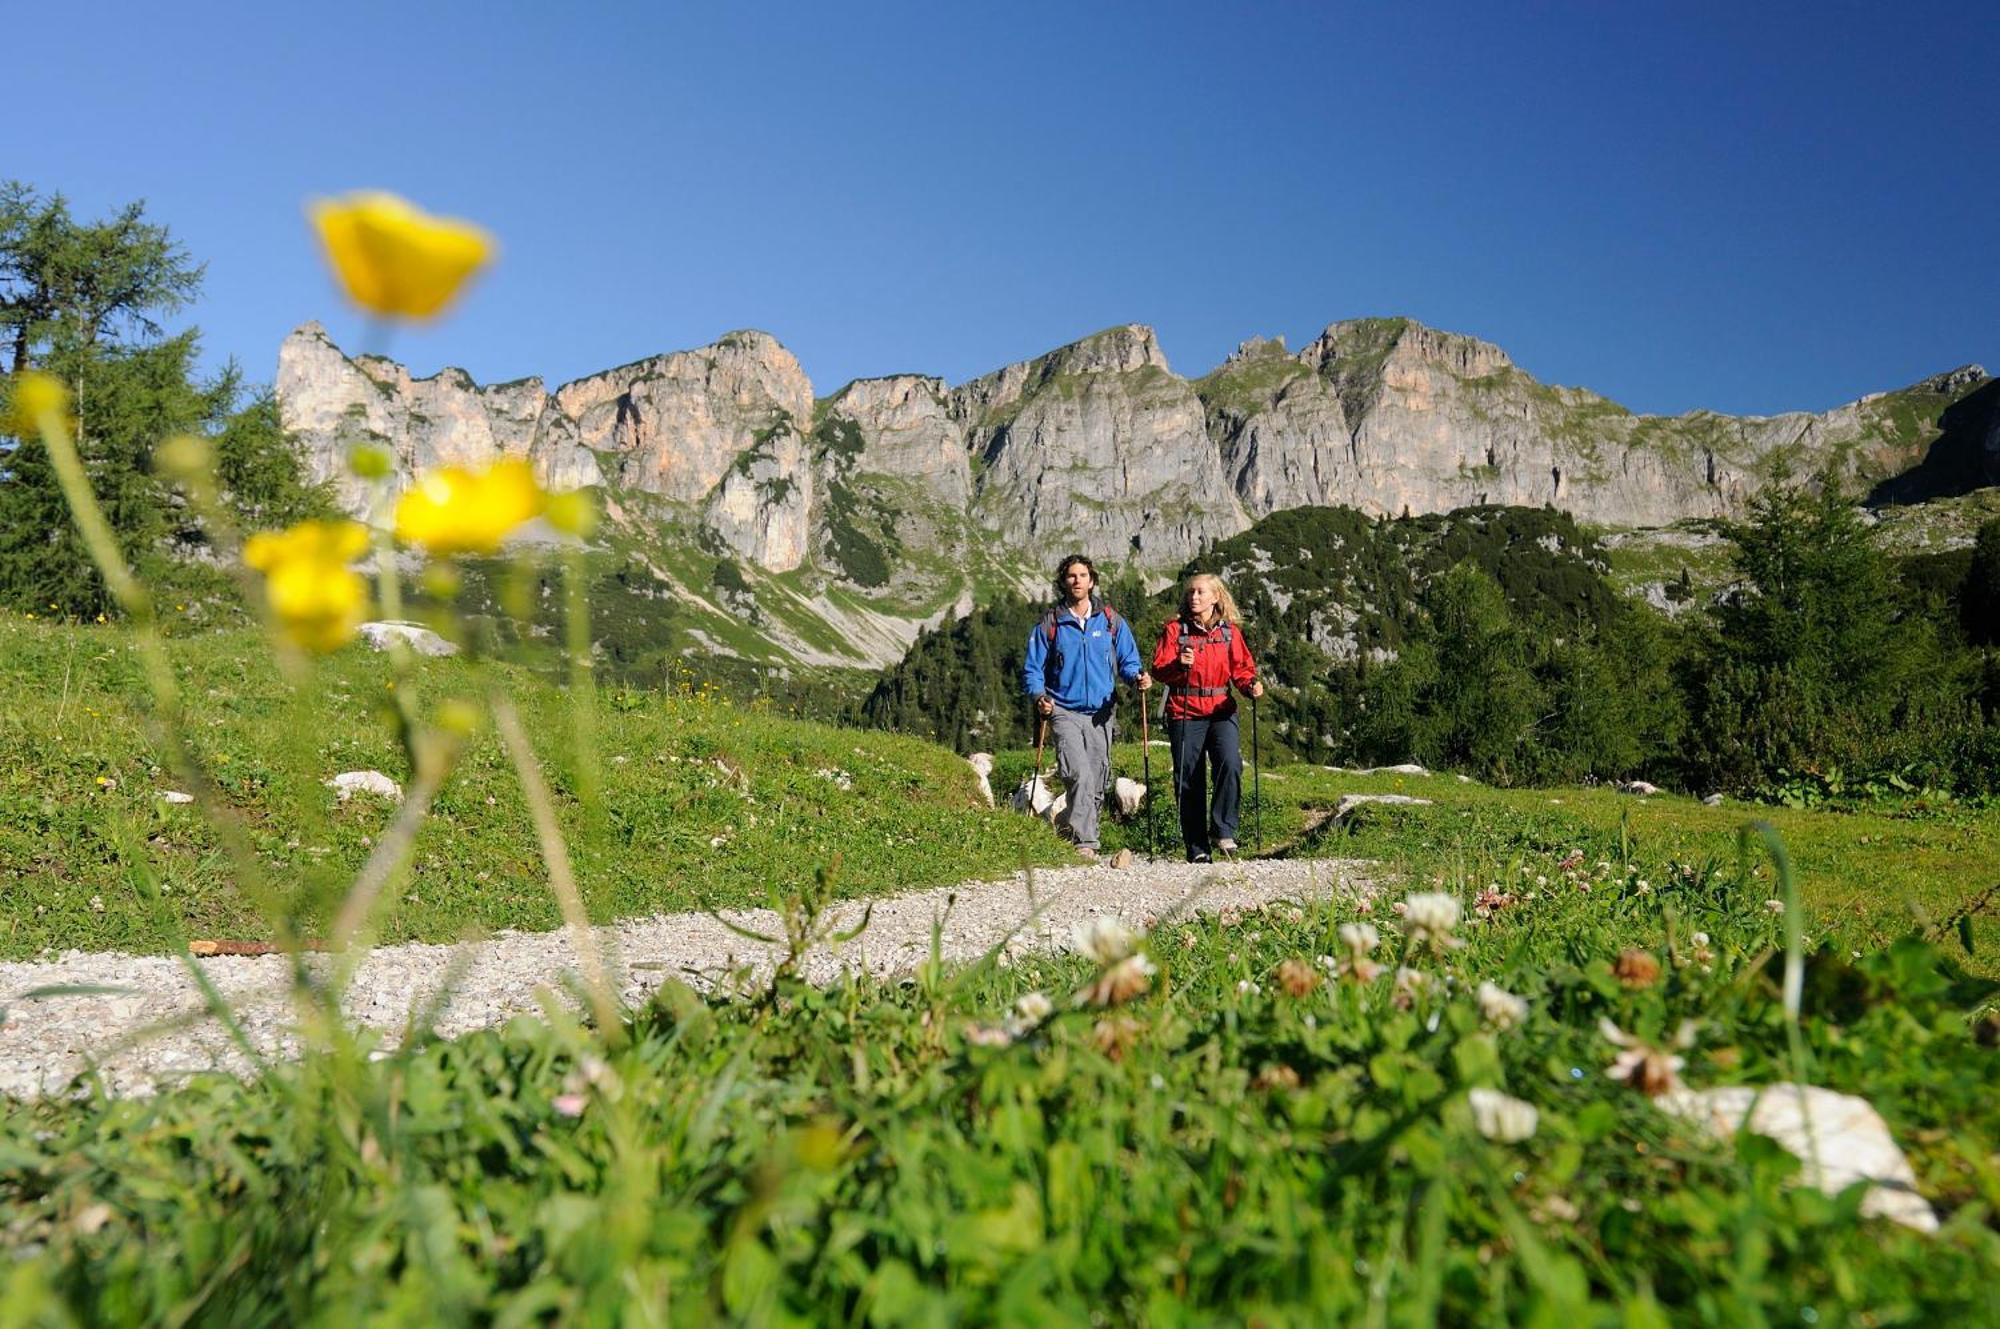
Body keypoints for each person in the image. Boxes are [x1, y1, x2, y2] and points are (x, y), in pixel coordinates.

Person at [1021, 554, 1151, 860]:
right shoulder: (1051, 623)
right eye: (1071, 576)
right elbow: (1032, 668)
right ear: (1063, 582)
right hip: (1063, 709)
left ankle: (1074, 828)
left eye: (1082, 575)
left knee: (1097, 777)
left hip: (1101, 712)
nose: (1077, 580)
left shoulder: (1109, 620)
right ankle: (1086, 842)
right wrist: (1039, 695)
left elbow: (1129, 660)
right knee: (1077, 772)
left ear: (1091, 581)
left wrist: (1137, 678)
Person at [1151, 572, 1264, 863]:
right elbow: (1159, 669)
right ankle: (1197, 846)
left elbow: (1241, 669)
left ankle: (1222, 829)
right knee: (1189, 777)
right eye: (1190, 592)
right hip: (1184, 709)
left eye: (1200, 592)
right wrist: (1178, 663)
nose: (1194, 597)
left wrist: (1250, 684)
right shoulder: (1175, 631)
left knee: (1230, 763)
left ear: (1216, 597)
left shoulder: (1229, 633)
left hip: (1220, 709)